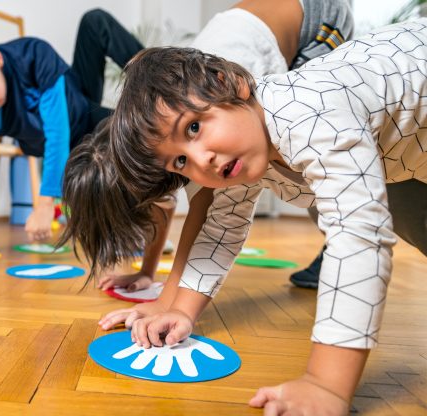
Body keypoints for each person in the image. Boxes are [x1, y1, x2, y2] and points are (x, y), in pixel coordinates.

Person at [104, 19, 427, 415]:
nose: (201, 158)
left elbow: (359, 234)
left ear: (230, 83)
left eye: (193, 127)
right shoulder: (243, 145)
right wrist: (179, 310)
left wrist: (326, 384)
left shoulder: (308, 111)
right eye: (181, 161)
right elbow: (220, 229)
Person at [60, 0, 354, 292]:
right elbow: (165, 206)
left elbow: (206, 211)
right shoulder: (164, 147)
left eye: (193, 128)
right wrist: (148, 274)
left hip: (317, 21)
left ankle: (344, 242)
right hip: (262, 32)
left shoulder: (210, 107)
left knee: (309, 151)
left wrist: (171, 295)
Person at [0, 9, 143, 259]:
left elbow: (57, 131)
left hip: (79, 108)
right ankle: (134, 233)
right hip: (74, 143)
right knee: (128, 134)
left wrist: (45, 204)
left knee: (95, 21)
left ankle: (163, 86)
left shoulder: (33, 57)